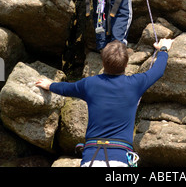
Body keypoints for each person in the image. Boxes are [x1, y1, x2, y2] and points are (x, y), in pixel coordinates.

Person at [36, 37, 173, 167]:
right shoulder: (135, 84)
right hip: (119, 159)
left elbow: (67, 88)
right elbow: (158, 70)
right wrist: (164, 49)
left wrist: (50, 85)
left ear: (103, 63)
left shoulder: (89, 84)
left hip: (91, 158)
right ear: (126, 64)